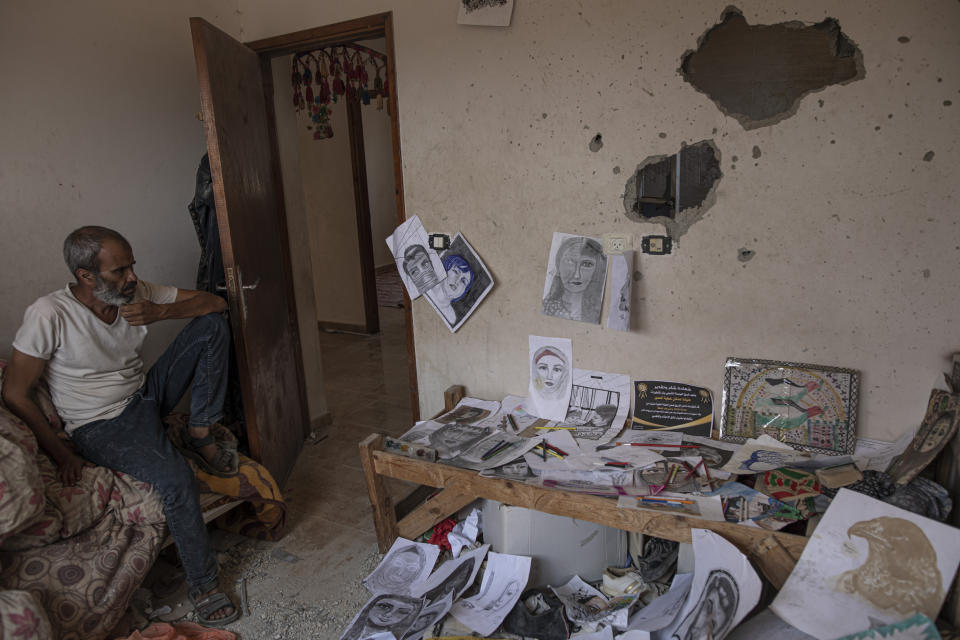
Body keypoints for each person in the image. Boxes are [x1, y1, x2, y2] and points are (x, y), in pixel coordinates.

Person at [1, 226, 239, 626]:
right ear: (86, 275)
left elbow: (214, 304)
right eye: (119, 271)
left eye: (132, 267)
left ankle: (200, 431)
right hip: (101, 424)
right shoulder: (49, 313)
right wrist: (61, 451)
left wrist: (162, 311)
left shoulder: (136, 292)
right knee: (176, 479)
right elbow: (15, 392)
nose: (131, 277)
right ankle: (205, 586)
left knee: (212, 327)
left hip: (144, 396)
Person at [541, 236, 607, 323]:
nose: (576, 275)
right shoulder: (546, 308)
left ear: (597, 270)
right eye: (569, 261)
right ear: (558, 266)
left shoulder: (602, 311)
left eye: (586, 264)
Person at [425, 254, 474, 327]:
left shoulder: (452, 318)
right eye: (456, 272)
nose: (457, 281)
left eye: (463, 281)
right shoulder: (427, 290)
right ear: (445, 269)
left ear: (463, 292)